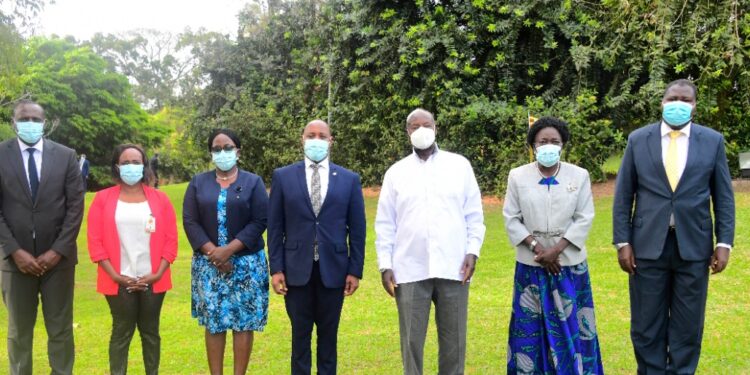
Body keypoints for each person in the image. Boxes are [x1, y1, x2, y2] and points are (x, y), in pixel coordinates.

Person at [613, 79, 735, 373]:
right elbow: (623, 195)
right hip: (646, 247)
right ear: (662, 102)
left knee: (688, 325)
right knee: (646, 324)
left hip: (694, 247)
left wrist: (724, 243)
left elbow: (723, 197)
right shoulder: (638, 139)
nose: (678, 103)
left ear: (694, 105)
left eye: (685, 99)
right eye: (672, 98)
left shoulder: (712, 141)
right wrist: (623, 242)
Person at [375, 108, 485, 375]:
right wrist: (385, 265)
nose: (421, 130)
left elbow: (474, 214)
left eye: (427, 124)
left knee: (454, 342)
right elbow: (385, 223)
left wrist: (473, 251)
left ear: (436, 128)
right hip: (409, 269)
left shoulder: (459, 165)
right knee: (411, 341)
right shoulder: (396, 173)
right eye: (415, 126)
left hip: (454, 266)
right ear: (407, 132)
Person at [502, 117, 603, 374]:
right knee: (530, 330)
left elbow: (584, 217)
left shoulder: (579, 176)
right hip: (531, 267)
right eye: (543, 141)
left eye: (554, 142)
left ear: (563, 145)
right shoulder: (518, 176)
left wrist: (556, 250)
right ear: (533, 145)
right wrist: (538, 248)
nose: (549, 146)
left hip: (567, 266)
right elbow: (511, 217)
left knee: (572, 328)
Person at [267, 119, 366, 375]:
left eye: (322, 135)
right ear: (302, 139)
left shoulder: (349, 179)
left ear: (330, 141)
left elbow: (357, 229)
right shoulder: (283, 176)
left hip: (333, 271)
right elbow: (275, 227)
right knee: (300, 338)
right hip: (295, 271)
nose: (316, 139)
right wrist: (276, 268)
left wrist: (355, 270)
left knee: (328, 339)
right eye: (311, 135)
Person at [0, 99, 85, 374]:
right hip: (15, 261)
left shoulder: (65, 155)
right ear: (14, 123)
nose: (31, 124)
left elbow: (75, 207)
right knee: (18, 333)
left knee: (60, 330)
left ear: (44, 124)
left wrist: (58, 250)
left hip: (58, 262)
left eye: (36, 120)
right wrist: (14, 250)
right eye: (25, 118)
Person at [183, 129, 269, 375]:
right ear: (211, 153)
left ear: (238, 151)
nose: (223, 153)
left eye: (228, 147)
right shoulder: (198, 183)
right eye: (217, 148)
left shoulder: (253, 182)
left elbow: (260, 220)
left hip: (245, 265)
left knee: (243, 323)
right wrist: (214, 253)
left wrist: (229, 250)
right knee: (215, 324)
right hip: (209, 266)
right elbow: (190, 221)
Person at [86, 144, 178, 375]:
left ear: (144, 165)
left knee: (150, 332)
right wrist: (117, 277)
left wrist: (157, 273)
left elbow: (171, 240)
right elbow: (95, 243)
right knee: (121, 332)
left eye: (136, 162)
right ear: (117, 166)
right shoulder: (102, 199)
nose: (131, 167)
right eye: (125, 163)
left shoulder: (160, 199)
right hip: (118, 279)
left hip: (153, 277)